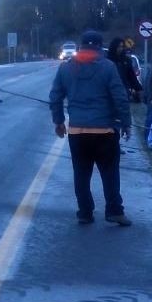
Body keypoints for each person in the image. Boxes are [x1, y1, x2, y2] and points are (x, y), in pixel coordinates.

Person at [50, 30, 133, 226]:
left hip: (78, 132)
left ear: (81, 46)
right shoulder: (108, 67)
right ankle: (114, 211)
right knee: (110, 173)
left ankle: (85, 212)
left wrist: (59, 121)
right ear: (99, 46)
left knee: (81, 174)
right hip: (104, 131)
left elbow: (55, 97)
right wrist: (126, 123)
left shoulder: (65, 68)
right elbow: (120, 97)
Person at [107, 37, 143, 103]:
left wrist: (138, 89)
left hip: (123, 90)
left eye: (122, 46)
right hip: (109, 91)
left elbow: (131, 76)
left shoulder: (126, 60)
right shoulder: (107, 60)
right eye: (118, 47)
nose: (120, 49)